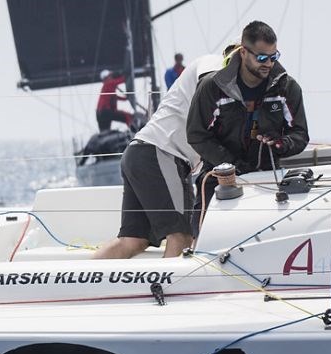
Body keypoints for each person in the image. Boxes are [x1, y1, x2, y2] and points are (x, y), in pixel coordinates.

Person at [93, 46, 233, 259]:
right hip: (161, 154)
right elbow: (208, 79)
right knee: (182, 236)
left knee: (133, 241)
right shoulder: (212, 62)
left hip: (141, 152)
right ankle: (169, 291)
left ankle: (77, 286)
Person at [187, 21, 308, 223]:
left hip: (268, 180)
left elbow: (300, 133)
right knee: (202, 242)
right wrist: (232, 165)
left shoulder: (287, 87)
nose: (268, 63)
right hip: (219, 179)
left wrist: (281, 144)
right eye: (261, 57)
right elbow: (196, 134)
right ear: (243, 53)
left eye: (273, 57)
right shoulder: (212, 87)